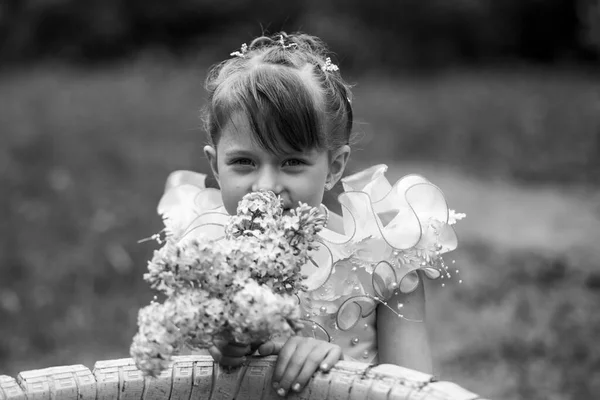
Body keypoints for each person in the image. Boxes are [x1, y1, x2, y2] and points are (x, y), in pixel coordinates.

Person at [160, 31, 462, 397]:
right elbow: (175, 383)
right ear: (215, 164)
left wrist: (337, 372)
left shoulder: (382, 262)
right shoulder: (201, 254)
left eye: (292, 162)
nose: (266, 186)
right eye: (243, 162)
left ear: (334, 167)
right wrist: (220, 348)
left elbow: (414, 393)